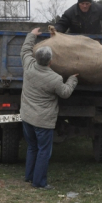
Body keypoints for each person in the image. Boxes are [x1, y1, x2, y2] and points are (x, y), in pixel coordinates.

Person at [21, 27, 78, 190]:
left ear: (36, 58)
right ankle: (39, 182)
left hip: (27, 117)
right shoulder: (55, 78)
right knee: (44, 151)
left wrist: (31, 35)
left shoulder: (28, 66)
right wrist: (73, 80)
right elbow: (65, 93)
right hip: (43, 121)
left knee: (32, 147)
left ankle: (29, 176)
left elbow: (25, 50)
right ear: (51, 62)